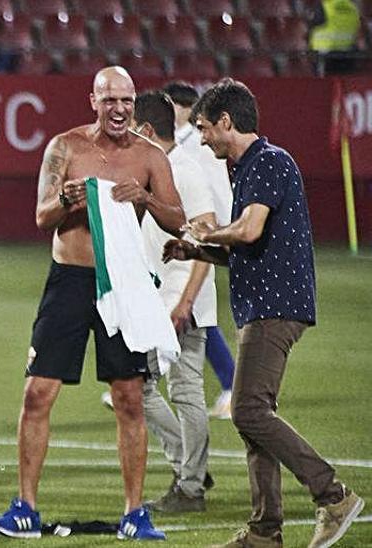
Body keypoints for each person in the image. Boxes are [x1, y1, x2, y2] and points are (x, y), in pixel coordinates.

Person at [0, 66, 185, 541]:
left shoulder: (150, 157)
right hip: (69, 282)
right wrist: (69, 199)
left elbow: (178, 220)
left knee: (129, 398)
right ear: (93, 101)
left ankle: (135, 512)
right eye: (110, 100)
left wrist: (147, 200)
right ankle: (25, 508)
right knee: (38, 393)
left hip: (122, 283)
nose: (119, 109)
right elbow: (41, 216)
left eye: (127, 101)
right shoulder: (66, 147)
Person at [166, 78, 364, 548]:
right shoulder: (250, 168)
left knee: (249, 408)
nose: (202, 137)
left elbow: (249, 231)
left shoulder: (269, 162)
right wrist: (193, 248)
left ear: (226, 122)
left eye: (204, 127)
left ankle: (332, 495)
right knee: (255, 415)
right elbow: (245, 250)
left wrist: (205, 234)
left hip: (276, 307)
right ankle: (263, 531)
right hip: (260, 304)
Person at [129, 91, 224, 513]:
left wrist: (185, 302)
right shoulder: (159, 168)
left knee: (178, 392)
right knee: (139, 387)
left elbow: (206, 235)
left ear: (147, 131)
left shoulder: (185, 169)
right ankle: (191, 470)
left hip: (182, 304)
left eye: (133, 128)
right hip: (158, 300)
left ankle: (190, 485)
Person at [163, 80, 236, 420]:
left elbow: (214, 191)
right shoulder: (188, 143)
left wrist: (218, 230)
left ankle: (233, 384)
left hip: (211, 231)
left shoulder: (193, 146)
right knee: (196, 316)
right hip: (207, 231)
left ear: (182, 108)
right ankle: (139, 378)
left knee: (197, 315)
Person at [308, 0, 361, 75]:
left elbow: (312, 25)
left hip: (325, 54)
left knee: (325, 84)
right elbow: (357, 25)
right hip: (347, 53)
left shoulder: (324, 6)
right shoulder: (353, 7)